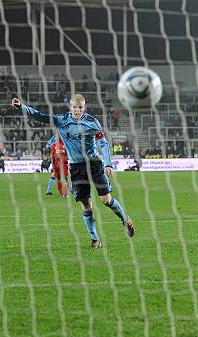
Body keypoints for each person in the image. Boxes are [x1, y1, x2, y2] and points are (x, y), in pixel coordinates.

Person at [12, 94, 135, 248]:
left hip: (94, 164)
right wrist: (21, 107)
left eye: (80, 108)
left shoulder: (92, 122)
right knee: (86, 204)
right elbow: (39, 116)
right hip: (77, 167)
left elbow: (103, 143)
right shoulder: (61, 121)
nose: (77, 110)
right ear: (70, 108)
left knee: (106, 201)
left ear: (84, 108)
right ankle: (95, 238)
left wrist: (108, 164)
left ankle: (125, 219)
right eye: (75, 107)